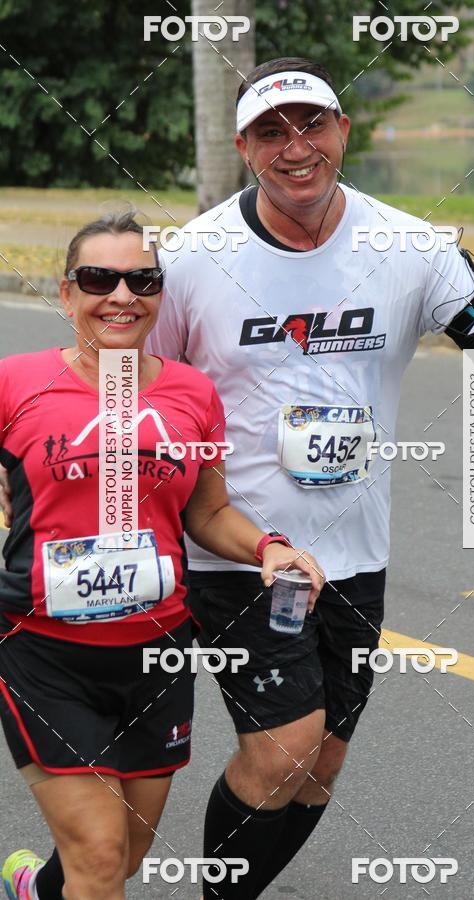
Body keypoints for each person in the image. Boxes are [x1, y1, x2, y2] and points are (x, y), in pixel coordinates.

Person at [138, 56, 474, 898]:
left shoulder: (408, 244)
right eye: (271, 132)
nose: (296, 147)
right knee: (284, 747)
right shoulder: (189, 260)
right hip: (241, 551)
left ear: (342, 132)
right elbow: (137, 398)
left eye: (311, 124)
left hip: (356, 555)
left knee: (319, 766)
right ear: (244, 147)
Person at [0, 211, 323, 900]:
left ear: (159, 294)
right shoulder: (14, 384)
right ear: (67, 295)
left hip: (157, 656)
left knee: (126, 854)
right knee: (98, 852)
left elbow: (206, 512)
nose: (121, 295)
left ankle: (31, 889)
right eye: (98, 278)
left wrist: (269, 548)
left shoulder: (191, 393)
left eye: (141, 279)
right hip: (42, 652)